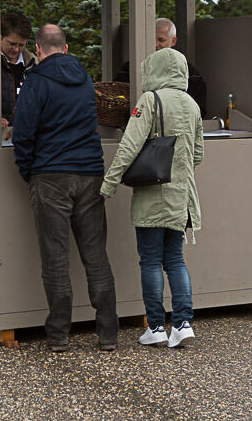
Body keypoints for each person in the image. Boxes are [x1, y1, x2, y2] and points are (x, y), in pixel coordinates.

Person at [11, 24, 119, 353]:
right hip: (89, 174)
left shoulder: (36, 81)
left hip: (51, 176)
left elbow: (23, 133)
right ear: (67, 48)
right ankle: (108, 334)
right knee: (96, 257)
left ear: (39, 51)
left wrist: (29, 172)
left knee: (55, 259)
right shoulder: (85, 79)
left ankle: (58, 335)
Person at [100, 48, 204, 349]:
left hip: (152, 195)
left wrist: (109, 184)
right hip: (183, 197)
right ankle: (183, 324)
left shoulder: (150, 100)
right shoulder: (192, 104)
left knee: (150, 261)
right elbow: (198, 154)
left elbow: (129, 146)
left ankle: (156, 326)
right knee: (175, 259)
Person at [115, 18, 207, 115]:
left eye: (161, 40)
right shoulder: (130, 68)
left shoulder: (190, 73)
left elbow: (199, 110)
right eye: (151, 39)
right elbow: (116, 97)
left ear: (173, 41)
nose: (155, 44)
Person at [0, 12, 36, 131]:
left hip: (26, 135)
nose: (16, 49)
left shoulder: (34, 64)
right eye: (12, 44)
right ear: (0, 36)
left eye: (21, 45)